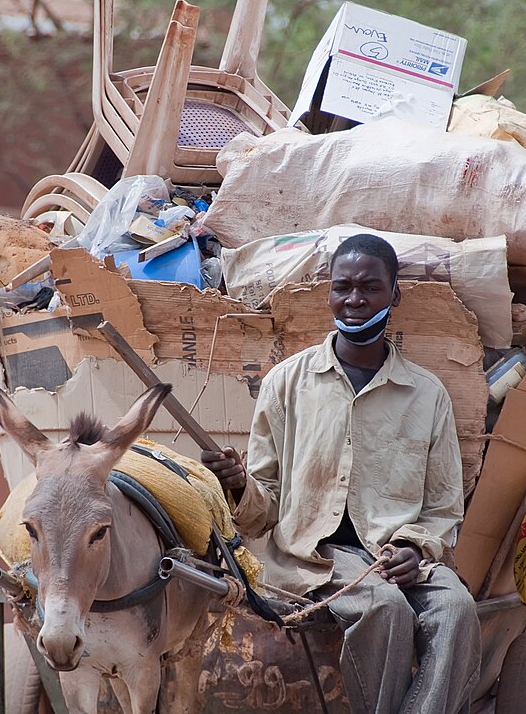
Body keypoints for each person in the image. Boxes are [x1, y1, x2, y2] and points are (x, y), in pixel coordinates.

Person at [202, 233, 482, 714]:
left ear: (394, 295)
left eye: (370, 287)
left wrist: (416, 549)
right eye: (343, 287)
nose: (355, 300)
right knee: (385, 607)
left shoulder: (427, 394)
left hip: (397, 555)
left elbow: (442, 507)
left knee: (457, 609)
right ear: (328, 293)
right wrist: (239, 484)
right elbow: (264, 506)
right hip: (315, 555)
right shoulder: (286, 383)